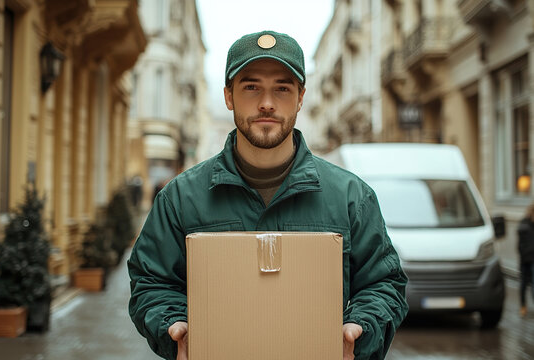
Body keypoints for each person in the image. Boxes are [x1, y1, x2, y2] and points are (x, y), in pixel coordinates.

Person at [128, 30, 408, 360]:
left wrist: (359, 328)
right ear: (229, 96)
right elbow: (151, 282)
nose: (267, 103)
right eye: (251, 87)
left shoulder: (351, 197)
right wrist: (172, 325)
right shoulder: (180, 197)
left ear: (301, 97)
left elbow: (384, 283)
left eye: (282, 88)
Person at [517, 203, 534, 318]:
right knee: (523, 284)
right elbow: (520, 245)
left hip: (533, 259)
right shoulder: (524, 225)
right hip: (526, 259)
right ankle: (523, 306)